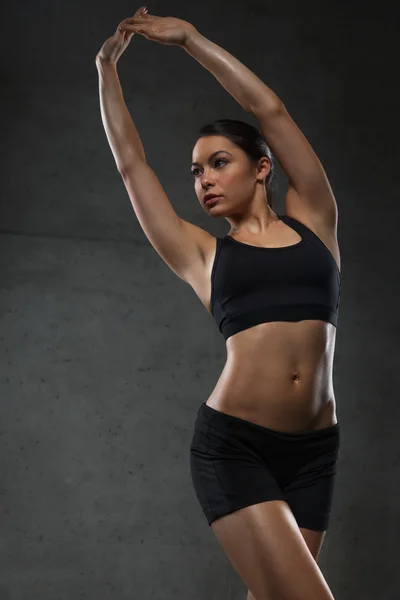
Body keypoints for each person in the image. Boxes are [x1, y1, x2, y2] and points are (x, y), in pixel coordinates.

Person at [96, 8, 341, 600]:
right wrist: (106, 70)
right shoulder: (203, 255)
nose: (202, 179)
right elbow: (132, 166)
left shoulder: (315, 218)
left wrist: (192, 41)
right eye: (195, 171)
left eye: (218, 162)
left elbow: (270, 111)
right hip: (235, 447)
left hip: (315, 452)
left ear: (262, 169)